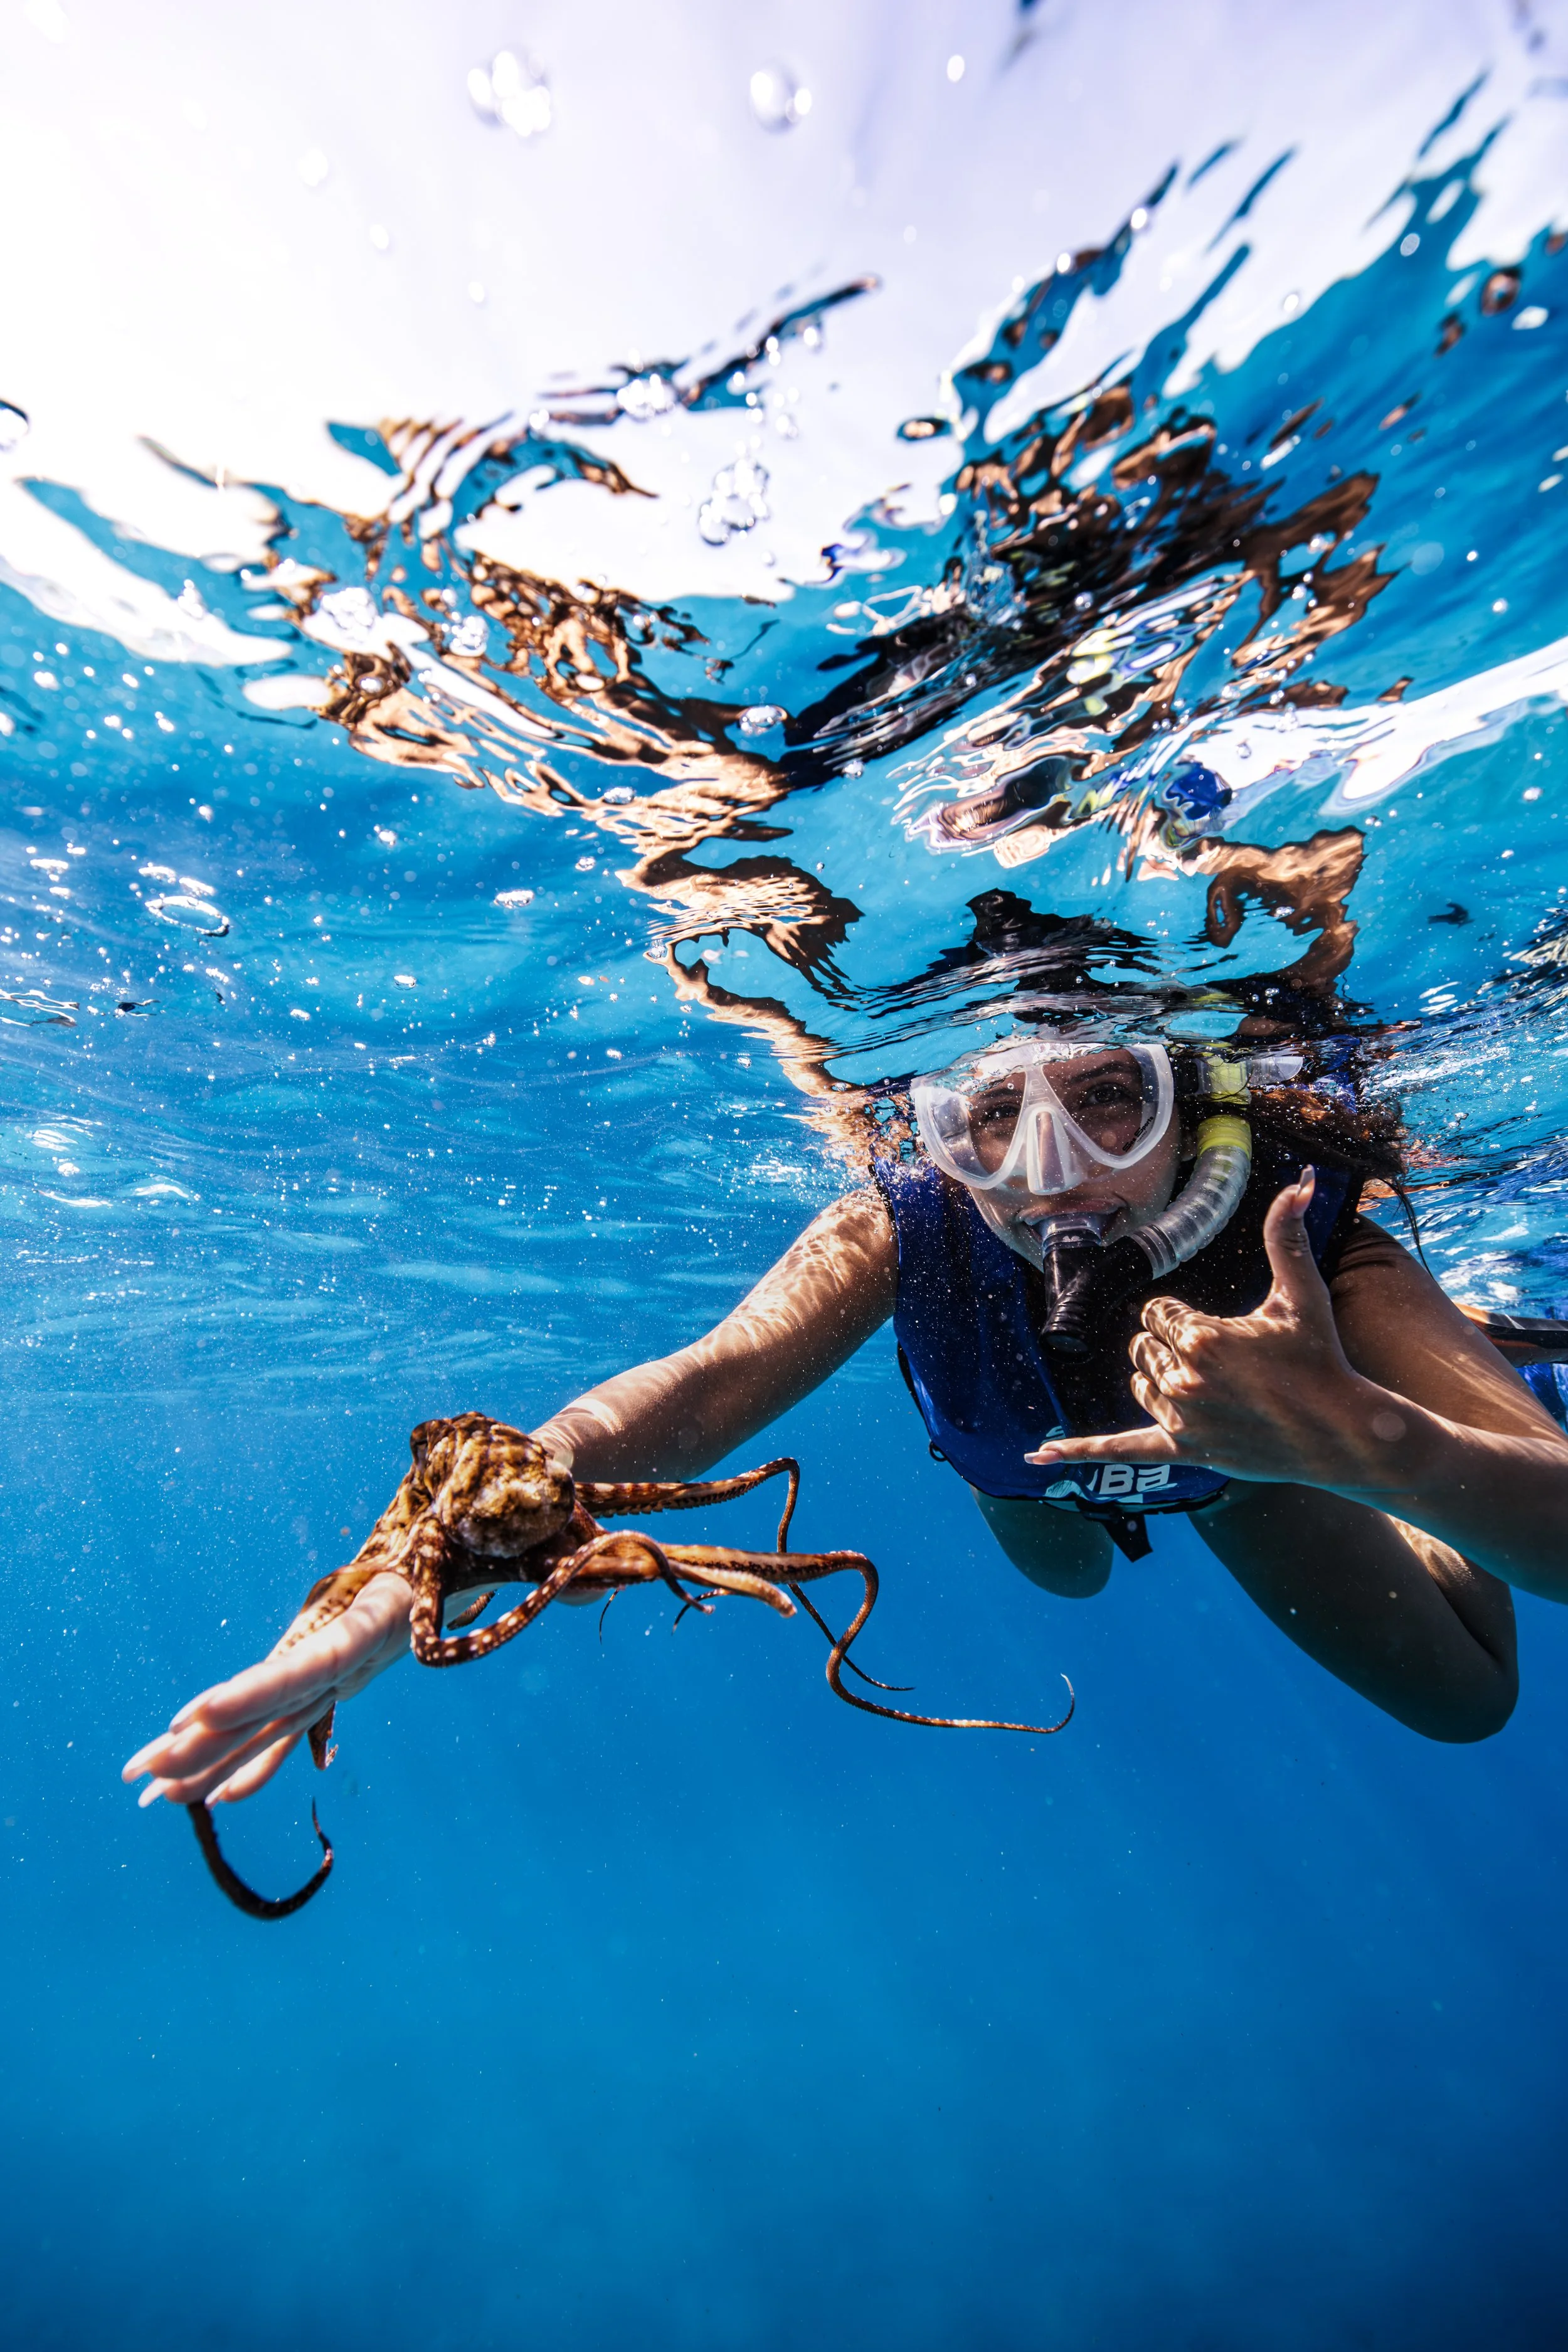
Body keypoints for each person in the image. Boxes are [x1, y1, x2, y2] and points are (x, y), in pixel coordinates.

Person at [125, 1034, 1568, 1814]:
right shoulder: (902, 1226)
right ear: (929, 1125)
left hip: (1251, 1476)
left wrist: (1351, 1442)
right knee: (1057, 1563)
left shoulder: (1311, 1246)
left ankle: (1380, 1432)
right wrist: (409, 1575)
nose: (1047, 1172)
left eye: (1110, 1098)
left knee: (1465, 1703)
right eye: (986, 1116)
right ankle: (1013, 1470)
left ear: (1196, 1098)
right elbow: (694, 1386)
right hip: (1024, 1479)